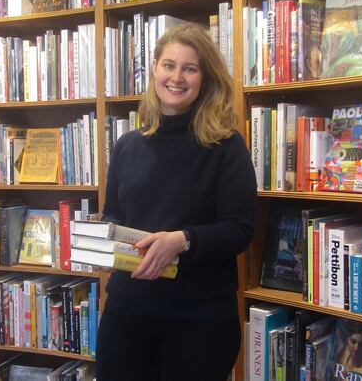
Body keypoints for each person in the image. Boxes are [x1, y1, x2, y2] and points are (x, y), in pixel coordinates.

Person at [96, 23, 257, 381]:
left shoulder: (226, 146)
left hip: (200, 320)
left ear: (205, 78)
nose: (177, 78)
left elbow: (241, 230)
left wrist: (182, 241)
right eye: (169, 65)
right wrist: (101, 245)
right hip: (127, 313)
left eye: (190, 69)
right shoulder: (126, 146)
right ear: (155, 68)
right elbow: (113, 216)